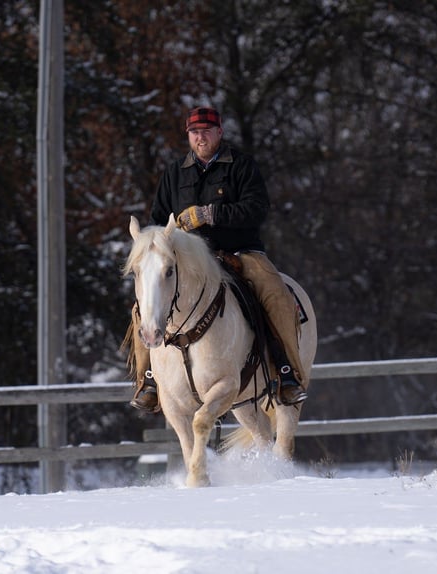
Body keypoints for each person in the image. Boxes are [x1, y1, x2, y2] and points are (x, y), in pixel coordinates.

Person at [129, 106, 307, 413]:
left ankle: (287, 372)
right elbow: (158, 219)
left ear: (219, 133)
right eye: (195, 132)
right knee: (143, 304)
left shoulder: (241, 166)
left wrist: (209, 214)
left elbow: (257, 209)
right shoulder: (175, 172)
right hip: (187, 262)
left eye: (207, 131)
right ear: (188, 136)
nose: (201, 138)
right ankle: (149, 381)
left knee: (275, 293)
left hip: (239, 253)